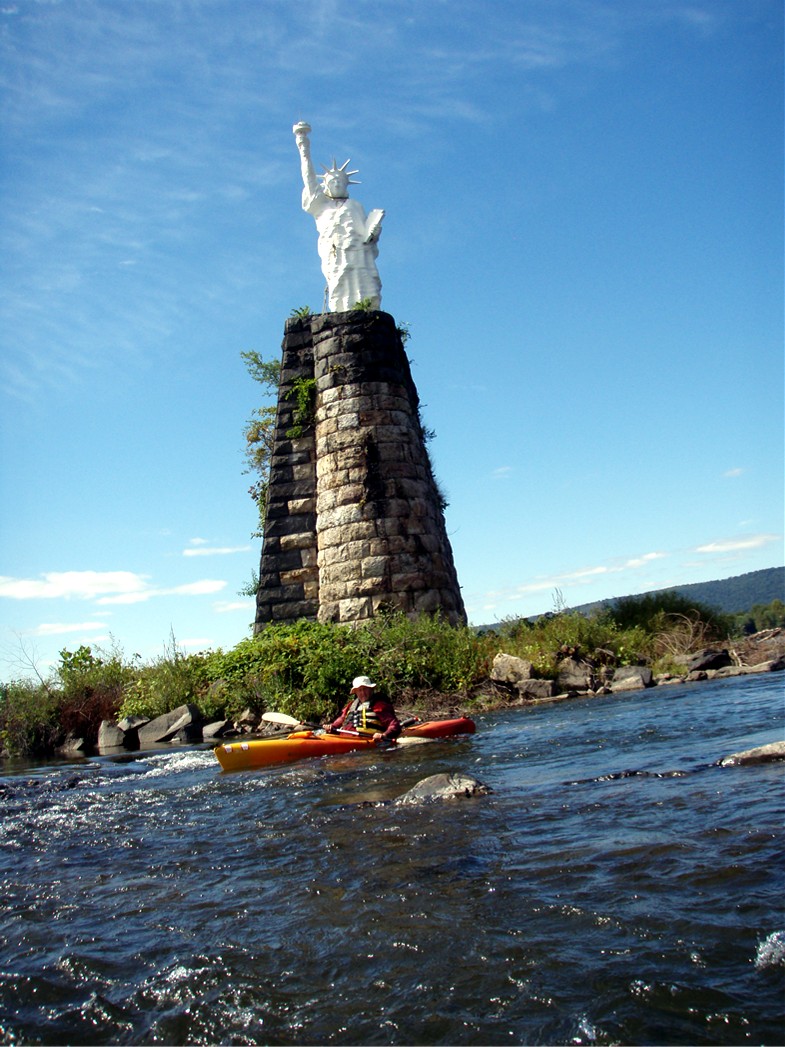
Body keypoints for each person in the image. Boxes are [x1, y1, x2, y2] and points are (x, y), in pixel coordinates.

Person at [293, 121, 384, 312]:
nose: (336, 183)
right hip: (336, 254)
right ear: (326, 185)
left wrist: (374, 233)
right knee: (339, 282)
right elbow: (309, 180)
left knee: (366, 282)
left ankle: (366, 309)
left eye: (339, 181)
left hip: (359, 254)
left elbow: (368, 236)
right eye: (332, 181)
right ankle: (341, 311)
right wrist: (303, 146)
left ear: (346, 184)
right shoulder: (322, 206)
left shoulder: (355, 206)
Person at [327, 675, 401, 744]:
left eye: (365, 689)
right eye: (360, 690)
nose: (363, 693)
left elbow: (394, 724)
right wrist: (332, 727)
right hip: (343, 738)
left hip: (365, 740)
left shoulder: (379, 705)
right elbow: (342, 718)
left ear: (371, 690)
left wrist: (384, 735)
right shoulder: (351, 705)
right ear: (355, 692)